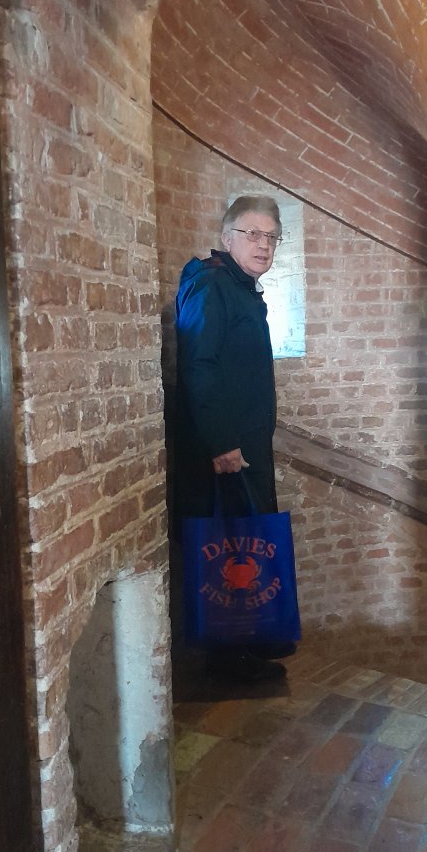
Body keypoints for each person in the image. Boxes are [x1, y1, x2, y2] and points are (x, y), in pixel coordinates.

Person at [173, 195, 296, 681]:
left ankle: (253, 642)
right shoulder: (211, 285)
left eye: (272, 237)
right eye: (253, 234)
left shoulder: (239, 287)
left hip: (245, 447)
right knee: (229, 548)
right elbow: (198, 366)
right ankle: (228, 661)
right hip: (224, 452)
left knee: (247, 542)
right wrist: (222, 443)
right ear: (228, 238)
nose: (264, 244)